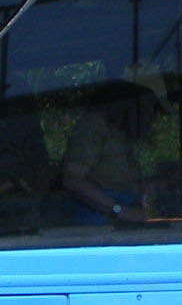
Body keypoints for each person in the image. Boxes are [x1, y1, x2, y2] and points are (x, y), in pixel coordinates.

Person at [60, 64, 167, 224]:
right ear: (133, 100)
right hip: (96, 225)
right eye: (150, 106)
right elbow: (73, 180)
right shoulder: (95, 124)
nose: (151, 117)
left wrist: (166, 183)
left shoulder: (121, 131)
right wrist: (120, 210)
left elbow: (121, 181)